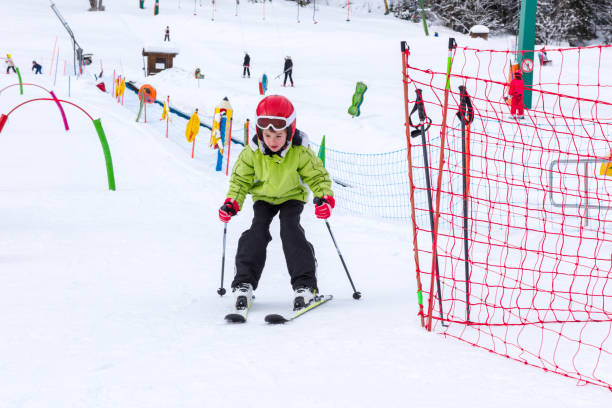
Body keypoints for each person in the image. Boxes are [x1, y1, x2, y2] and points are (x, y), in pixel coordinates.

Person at [218, 95, 334, 310]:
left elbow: (317, 177)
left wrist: (324, 197)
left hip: (292, 196)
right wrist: (232, 203)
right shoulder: (251, 153)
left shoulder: (300, 151)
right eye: (268, 135)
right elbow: (240, 181)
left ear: (290, 131)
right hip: (264, 198)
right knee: (257, 231)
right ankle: (244, 283)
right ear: (260, 132)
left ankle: (305, 285)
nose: (273, 141)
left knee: (290, 230)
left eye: (279, 135)